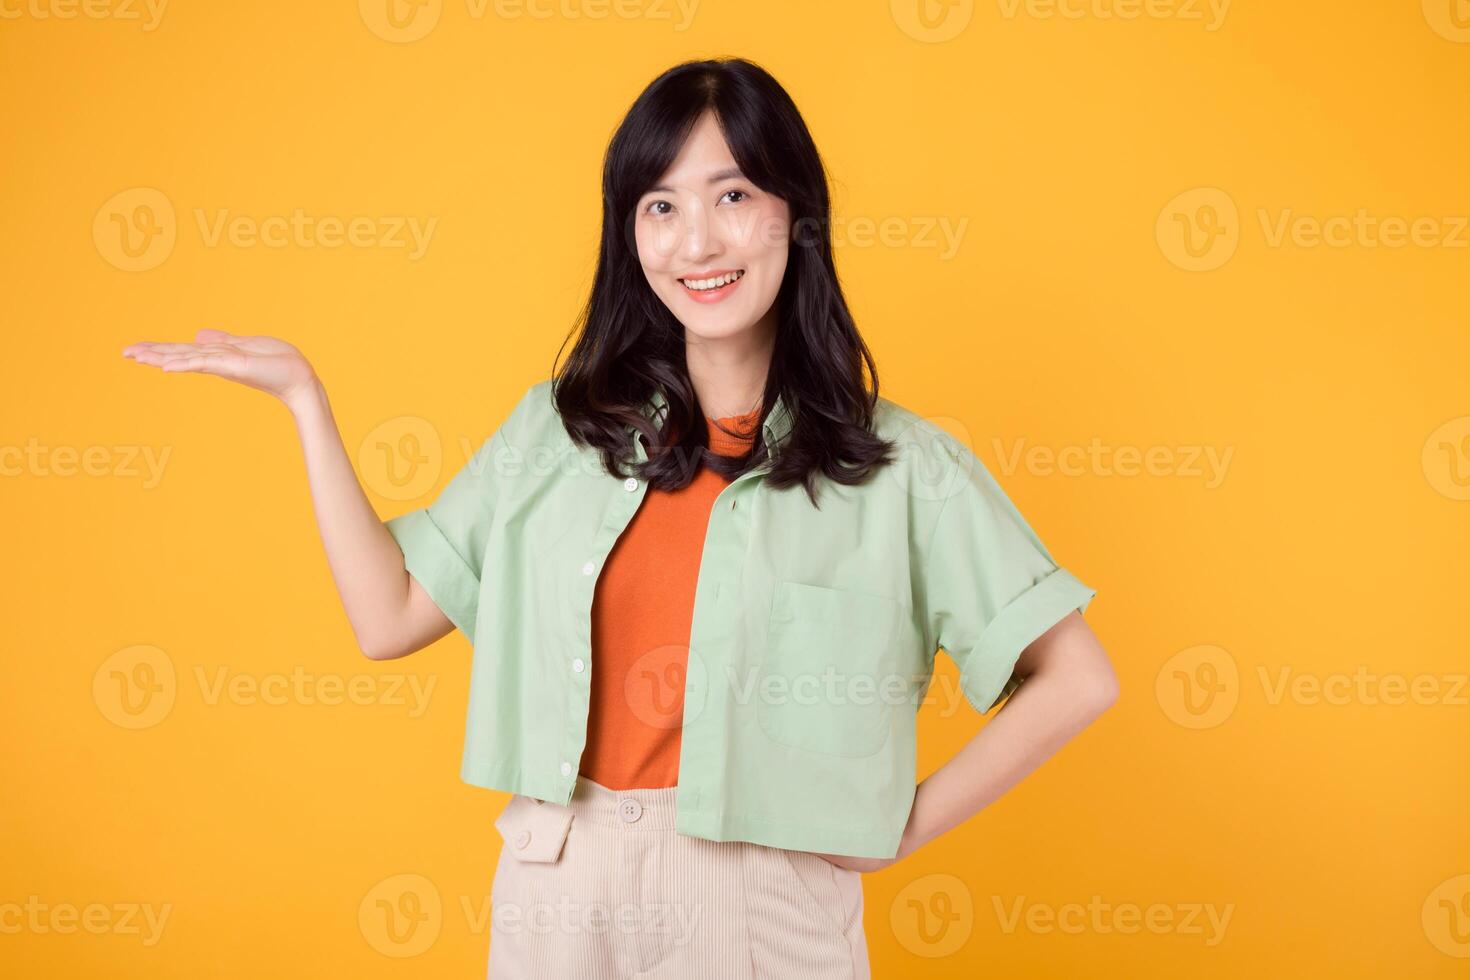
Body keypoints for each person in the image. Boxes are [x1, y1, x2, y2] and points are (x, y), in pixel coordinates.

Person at [123, 56, 1119, 980]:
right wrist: (307, 400)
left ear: (794, 214)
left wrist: (898, 825)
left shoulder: (903, 469)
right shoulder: (554, 433)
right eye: (661, 204)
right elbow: (388, 617)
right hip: (560, 879)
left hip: (762, 897)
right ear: (629, 230)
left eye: (732, 195)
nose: (697, 241)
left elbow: (1076, 675)